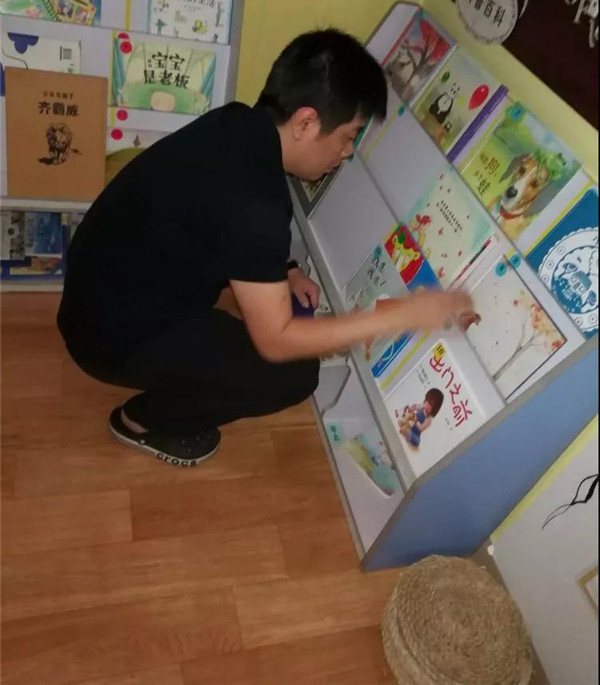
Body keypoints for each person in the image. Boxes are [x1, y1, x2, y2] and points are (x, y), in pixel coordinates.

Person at [57, 29, 471, 466]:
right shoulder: (258, 202)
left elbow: (216, 217)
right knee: (293, 374)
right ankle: (142, 420)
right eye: (348, 136)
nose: (347, 152)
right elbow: (276, 341)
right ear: (306, 123)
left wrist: (286, 268)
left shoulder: (238, 123)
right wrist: (403, 315)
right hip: (107, 337)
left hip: (95, 294)